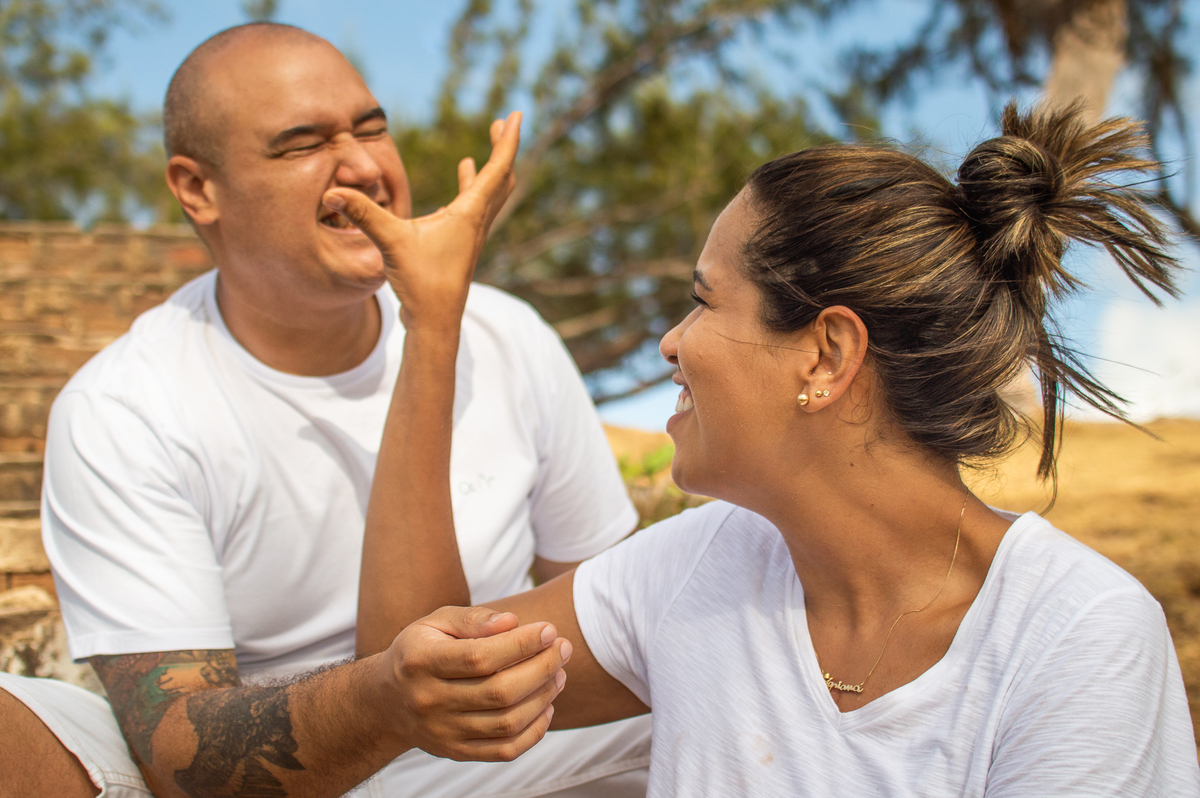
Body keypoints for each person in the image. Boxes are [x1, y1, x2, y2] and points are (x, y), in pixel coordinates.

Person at [334, 102, 1200, 795]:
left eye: (704, 301)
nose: (671, 343)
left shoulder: (1078, 640)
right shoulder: (699, 570)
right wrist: (433, 323)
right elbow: (419, 671)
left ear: (826, 356)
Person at [0, 22, 651, 798]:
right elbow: (177, 751)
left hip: (514, 751)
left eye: (373, 129)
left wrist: (433, 324)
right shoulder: (125, 408)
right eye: (302, 143)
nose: (368, 167)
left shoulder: (509, 335)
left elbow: (615, 616)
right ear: (197, 188)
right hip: (293, 772)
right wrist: (379, 702)